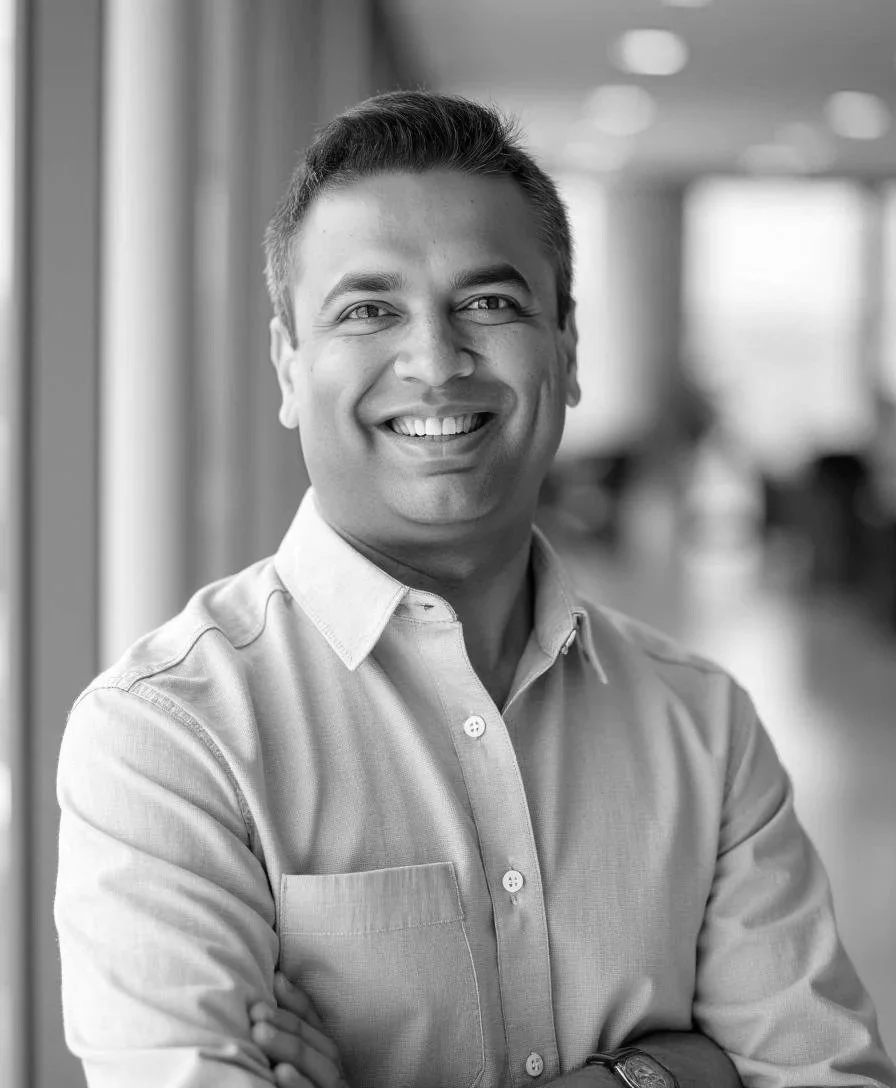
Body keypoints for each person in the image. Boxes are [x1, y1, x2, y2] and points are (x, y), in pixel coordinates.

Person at [54, 91, 896, 1088]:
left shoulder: (701, 720)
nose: (435, 361)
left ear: (565, 351)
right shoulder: (167, 737)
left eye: (488, 304)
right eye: (367, 310)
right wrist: (674, 1072)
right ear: (288, 365)